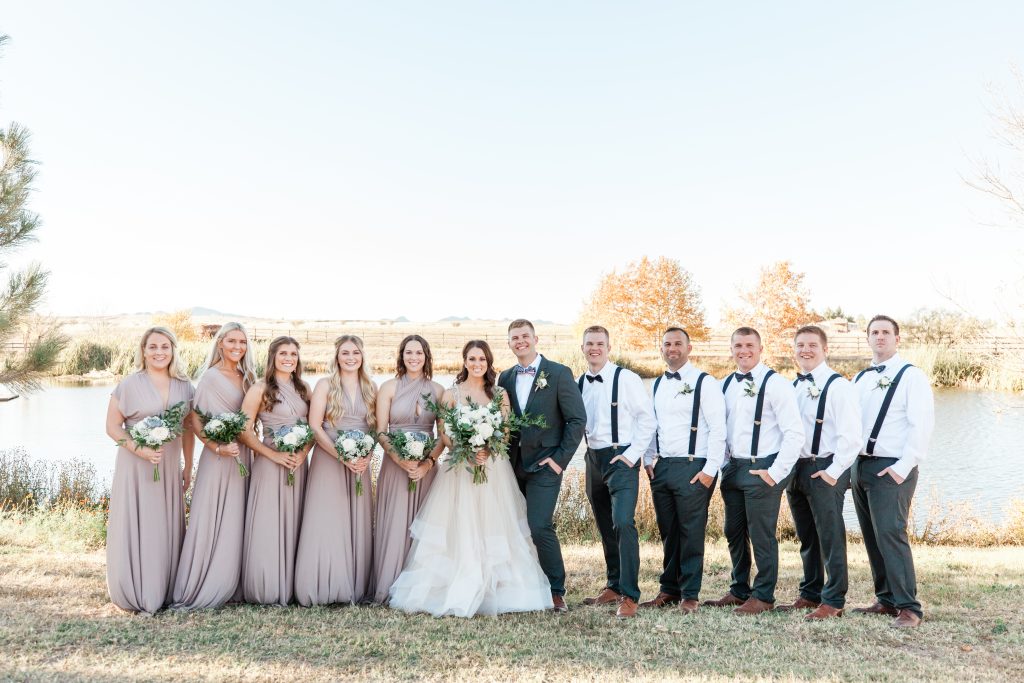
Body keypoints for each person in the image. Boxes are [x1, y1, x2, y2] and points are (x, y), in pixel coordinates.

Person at [389, 340, 554, 617]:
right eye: (472, 359)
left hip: (493, 469)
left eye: (482, 359)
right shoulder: (451, 394)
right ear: (464, 361)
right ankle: (456, 584)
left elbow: (504, 430)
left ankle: (498, 587)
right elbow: (444, 434)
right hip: (460, 470)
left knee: (494, 523)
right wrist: (463, 449)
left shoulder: (499, 393)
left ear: (488, 363)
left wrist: (487, 448)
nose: (477, 364)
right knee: (460, 523)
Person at [703, 327, 803, 615]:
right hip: (732, 468)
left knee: (761, 534)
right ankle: (739, 589)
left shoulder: (776, 384)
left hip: (762, 468)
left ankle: (764, 596)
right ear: (731, 349)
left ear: (760, 349)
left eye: (749, 345)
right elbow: (718, 429)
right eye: (737, 345)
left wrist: (775, 472)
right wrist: (722, 463)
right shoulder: (723, 385)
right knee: (733, 531)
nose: (743, 350)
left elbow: (794, 433)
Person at [497, 318, 586, 613]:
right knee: (514, 527)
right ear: (509, 343)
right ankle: (522, 585)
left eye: (525, 336)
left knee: (539, 525)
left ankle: (556, 589)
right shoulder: (505, 378)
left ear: (536, 339)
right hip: (511, 465)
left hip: (545, 466)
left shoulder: (558, 373)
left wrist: (560, 460)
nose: (520, 341)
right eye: (514, 338)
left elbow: (576, 420)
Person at [850, 315, 934, 628]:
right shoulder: (860, 378)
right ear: (868, 338)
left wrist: (902, 468)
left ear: (897, 339)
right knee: (872, 535)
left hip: (892, 467)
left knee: (891, 534)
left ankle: (909, 608)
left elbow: (921, 425)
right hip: (861, 466)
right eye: (875, 332)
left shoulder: (912, 376)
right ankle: (885, 600)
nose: (880, 337)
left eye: (886, 332)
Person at [104, 326, 195, 614]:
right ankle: (135, 587)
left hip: (168, 465)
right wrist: (138, 449)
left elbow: (190, 428)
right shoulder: (129, 384)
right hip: (136, 464)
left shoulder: (185, 386)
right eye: (153, 347)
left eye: (165, 347)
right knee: (139, 519)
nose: (159, 352)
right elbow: (111, 427)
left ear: (173, 350)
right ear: (143, 350)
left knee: (164, 521)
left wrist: (188, 466)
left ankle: (165, 587)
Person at [774, 325, 860, 620]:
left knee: (830, 536)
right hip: (795, 469)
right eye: (800, 345)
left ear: (825, 350)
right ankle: (810, 594)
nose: (805, 350)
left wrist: (833, 472)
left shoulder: (839, 387)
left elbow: (851, 437)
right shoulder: (792, 386)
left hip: (824, 467)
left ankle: (833, 600)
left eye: (812, 345)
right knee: (807, 536)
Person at [641, 327, 726, 614]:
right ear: (661, 349)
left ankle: (690, 594)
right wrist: (649, 459)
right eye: (667, 344)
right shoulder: (655, 384)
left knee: (691, 532)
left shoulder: (705, 382)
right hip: (662, 467)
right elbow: (650, 425)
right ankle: (669, 589)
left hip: (694, 466)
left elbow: (718, 429)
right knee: (669, 531)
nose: (672, 348)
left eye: (678, 343)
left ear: (689, 348)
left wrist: (709, 470)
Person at [172, 322, 257, 609]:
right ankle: (206, 582)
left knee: (239, 516)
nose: (237, 347)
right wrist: (217, 446)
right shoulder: (210, 377)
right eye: (231, 341)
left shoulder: (249, 377)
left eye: (242, 342)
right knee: (214, 516)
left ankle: (234, 583)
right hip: (219, 456)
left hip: (245, 454)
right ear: (220, 343)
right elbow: (196, 420)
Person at [577, 325, 657, 618]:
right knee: (604, 523)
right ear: (582, 348)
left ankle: (630, 595)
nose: (594, 348)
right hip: (592, 458)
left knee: (623, 522)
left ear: (608, 347)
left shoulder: (627, 379)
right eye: (589, 344)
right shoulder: (579, 382)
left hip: (621, 457)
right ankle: (612, 585)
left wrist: (632, 455)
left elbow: (648, 420)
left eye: (599, 343)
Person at [295, 335, 376, 606]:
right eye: (345, 353)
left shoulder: (370, 387)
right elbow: (315, 426)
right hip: (329, 459)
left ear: (362, 356)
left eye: (355, 352)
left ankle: (352, 585)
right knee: (327, 519)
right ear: (337, 356)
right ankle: (321, 585)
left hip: (359, 463)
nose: (350, 357)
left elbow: (376, 429)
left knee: (356, 520)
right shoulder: (325, 385)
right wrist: (342, 456)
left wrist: (367, 454)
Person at [238, 336, 312, 605]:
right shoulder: (260, 389)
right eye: (283, 353)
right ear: (273, 357)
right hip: (270, 463)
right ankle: (267, 585)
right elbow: (244, 432)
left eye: (293, 354)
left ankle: (292, 584)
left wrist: (303, 453)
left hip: (298, 464)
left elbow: (316, 426)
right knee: (268, 522)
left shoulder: (304, 389)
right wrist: (274, 455)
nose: (289, 358)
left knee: (296, 519)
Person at [372, 334, 445, 604]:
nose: (414, 357)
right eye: (408, 353)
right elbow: (380, 432)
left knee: (424, 526)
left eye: (419, 353)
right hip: (394, 466)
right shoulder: (388, 388)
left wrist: (428, 463)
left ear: (426, 357)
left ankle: (421, 589)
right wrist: (398, 458)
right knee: (394, 524)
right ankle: (389, 586)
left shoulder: (438, 390)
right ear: (401, 356)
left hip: (426, 469)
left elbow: (443, 436)